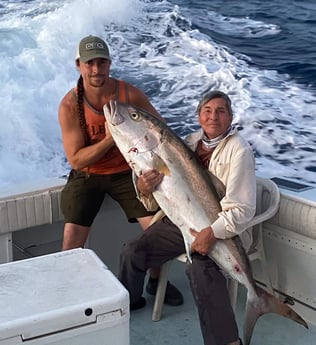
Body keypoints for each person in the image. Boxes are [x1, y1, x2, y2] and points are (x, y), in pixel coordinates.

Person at [119, 90, 256, 345]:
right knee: (132, 251)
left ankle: (227, 341)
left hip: (223, 230)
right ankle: (129, 303)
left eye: (221, 111)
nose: (213, 116)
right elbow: (163, 194)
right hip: (180, 222)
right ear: (198, 116)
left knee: (200, 269)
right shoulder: (189, 143)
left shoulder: (239, 151)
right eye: (207, 110)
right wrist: (144, 188)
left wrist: (212, 233)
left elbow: (242, 210)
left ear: (230, 117)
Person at [58, 34, 183, 306]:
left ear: (110, 64)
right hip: (88, 175)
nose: (96, 70)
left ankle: (155, 280)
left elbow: (161, 132)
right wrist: (108, 140)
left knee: (157, 229)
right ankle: (67, 295)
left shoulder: (129, 94)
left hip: (128, 173)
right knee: (70, 240)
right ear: (79, 65)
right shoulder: (69, 106)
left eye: (102, 63)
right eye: (90, 63)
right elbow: (76, 160)